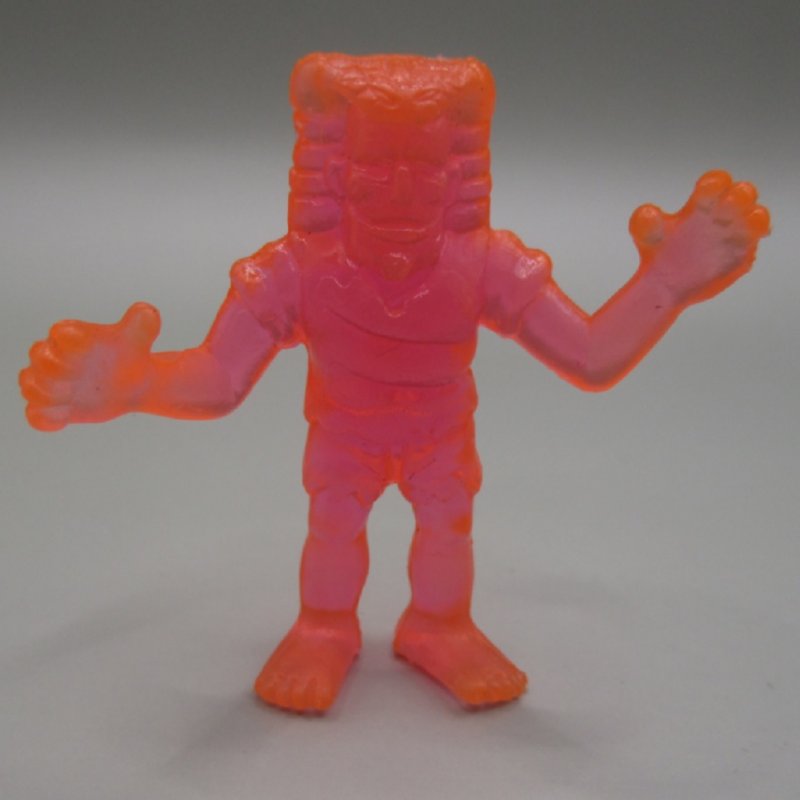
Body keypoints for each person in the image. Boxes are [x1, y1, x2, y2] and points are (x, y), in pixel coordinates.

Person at [20, 53, 770, 712]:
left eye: (426, 171)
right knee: (333, 527)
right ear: (334, 172)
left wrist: (666, 284)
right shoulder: (296, 268)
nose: (403, 193)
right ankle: (324, 627)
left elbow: (591, 355)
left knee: (447, 526)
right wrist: (138, 384)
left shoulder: (485, 263)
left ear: (458, 174)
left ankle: (440, 626)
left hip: (442, 438)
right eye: (377, 169)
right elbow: (219, 376)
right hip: (342, 437)